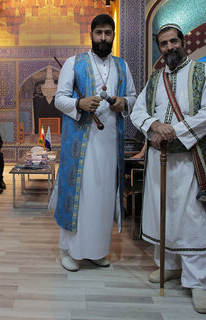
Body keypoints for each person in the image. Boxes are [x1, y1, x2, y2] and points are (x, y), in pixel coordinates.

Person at [130, 23, 206, 314]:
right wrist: (155, 126)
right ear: (159, 48)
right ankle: (168, 267)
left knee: (192, 218)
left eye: (173, 41)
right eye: (163, 44)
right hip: (160, 160)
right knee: (162, 212)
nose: (169, 47)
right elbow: (138, 111)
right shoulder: (155, 79)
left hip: (191, 160)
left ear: (184, 42)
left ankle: (197, 283)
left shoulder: (205, 72)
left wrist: (174, 130)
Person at [53, 14, 136, 272]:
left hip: (110, 145)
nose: (103, 38)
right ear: (91, 34)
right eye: (98, 32)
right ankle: (69, 251)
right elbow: (59, 99)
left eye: (107, 33)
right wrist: (79, 103)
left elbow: (133, 97)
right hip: (80, 146)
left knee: (102, 199)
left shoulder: (122, 66)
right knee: (78, 196)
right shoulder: (73, 63)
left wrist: (124, 102)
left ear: (113, 35)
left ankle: (97, 250)